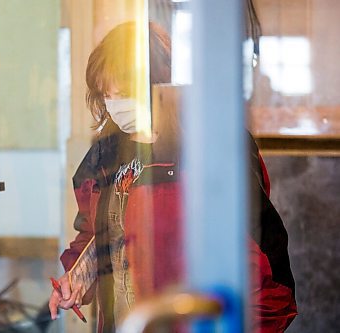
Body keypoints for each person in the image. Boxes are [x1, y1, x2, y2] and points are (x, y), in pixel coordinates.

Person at [48, 19, 297, 333]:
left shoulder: (211, 148)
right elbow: (95, 237)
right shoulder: (104, 158)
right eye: (106, 95)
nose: (115, 106)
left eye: (123, 92)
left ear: (161, 84)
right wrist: (74, 280)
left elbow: (260, 264)